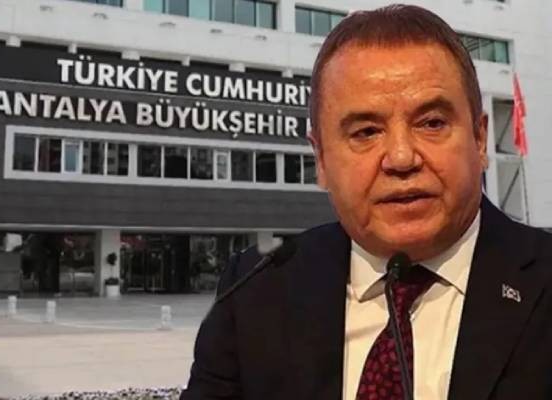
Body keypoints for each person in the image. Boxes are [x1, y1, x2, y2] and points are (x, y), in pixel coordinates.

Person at [180, 4, 552, 400]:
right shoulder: (256, 288)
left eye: (431, 123)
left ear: (479, 139)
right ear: (321, 160)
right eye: (366, 132)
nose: (402, 158)